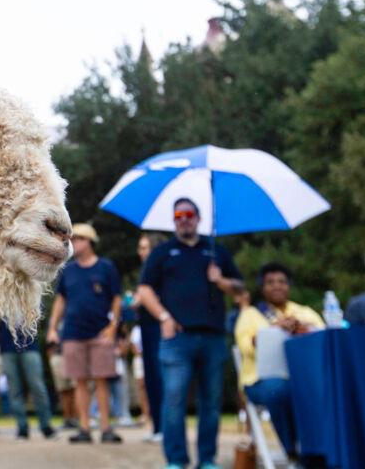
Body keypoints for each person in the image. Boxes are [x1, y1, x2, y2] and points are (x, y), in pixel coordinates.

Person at [137, 198, 244, 469]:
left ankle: (207, 459)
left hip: (213, 337)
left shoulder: (216, 250)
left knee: (211, 403)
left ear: (198, 217)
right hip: (177, 339)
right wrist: (163, 317)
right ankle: (175, 459)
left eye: (189, 214)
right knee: (173, 400)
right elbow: (145, 290)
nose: (184, 218)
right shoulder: (161, 253)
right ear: (174, 220)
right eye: (179, 214)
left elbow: (242, 291)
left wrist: (221, 281)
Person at [235, 262, 323, 464]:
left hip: (301, 379)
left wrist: (301, 329)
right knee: (280, 389)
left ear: (289, 286)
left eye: (282, 282)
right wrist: (275, 329)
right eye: (270, 282)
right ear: (262, 287)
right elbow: (246, 347)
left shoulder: (303, 311)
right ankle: (292, 451)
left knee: (318, 389)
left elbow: (322, 336)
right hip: (259, 381)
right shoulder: (251, 314)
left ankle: (318, 450)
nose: (277, 286)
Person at [46, 223, 123, 444]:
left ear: (90, 241)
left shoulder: (106, 267)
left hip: (100, 333)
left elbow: (116, 297)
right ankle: (85, 428)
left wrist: (113, 325)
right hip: (72, 333)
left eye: (78, 239)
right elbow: (61, 300)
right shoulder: (68, 270)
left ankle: (106, 428)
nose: (73, 243)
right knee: (79, 381)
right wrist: (52, 327)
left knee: (101, 380)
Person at [0, 320, 55, 439]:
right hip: (8, 347)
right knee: (14, 390)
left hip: (30, 346)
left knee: (37, 386)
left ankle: (46, 425)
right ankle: (22, 427)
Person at [134, 232, 167, 443]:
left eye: (145, 247)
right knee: (151, 379)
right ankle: (156, 426)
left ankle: (165, 427)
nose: (141, 252)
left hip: (160, 329)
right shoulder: (146, 271)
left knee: (160, 377)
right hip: (146, 329)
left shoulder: (163, 272)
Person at [46, 338, 78, 428]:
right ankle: (67, 420)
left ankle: (77, 419)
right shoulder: (53, 324)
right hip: (58, 355)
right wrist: (51, 354)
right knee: (63, 390)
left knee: (76, 388)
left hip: (74, 353)